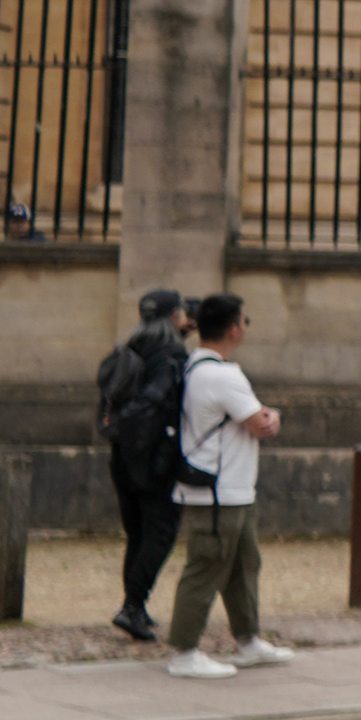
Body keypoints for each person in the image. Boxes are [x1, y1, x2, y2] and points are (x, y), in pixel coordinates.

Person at [161, 293, 291, 680]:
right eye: (245, 321)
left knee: (241, 566)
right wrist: (273, 415)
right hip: (219, 491)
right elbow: (261, 423)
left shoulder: (193, 368)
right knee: (205, 569)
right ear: (234, 328)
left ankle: (248, 640)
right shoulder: (224, 374)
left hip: (228, 489)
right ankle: (183, 652)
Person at [93, 286, 190, 644]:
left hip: (122, 453)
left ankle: (135, 603)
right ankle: (133, 605)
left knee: (137, 532)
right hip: (154, 455)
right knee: (161, 531)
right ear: (174, 316)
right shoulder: (171, 356)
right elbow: (157, 401)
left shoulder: (129, 349)